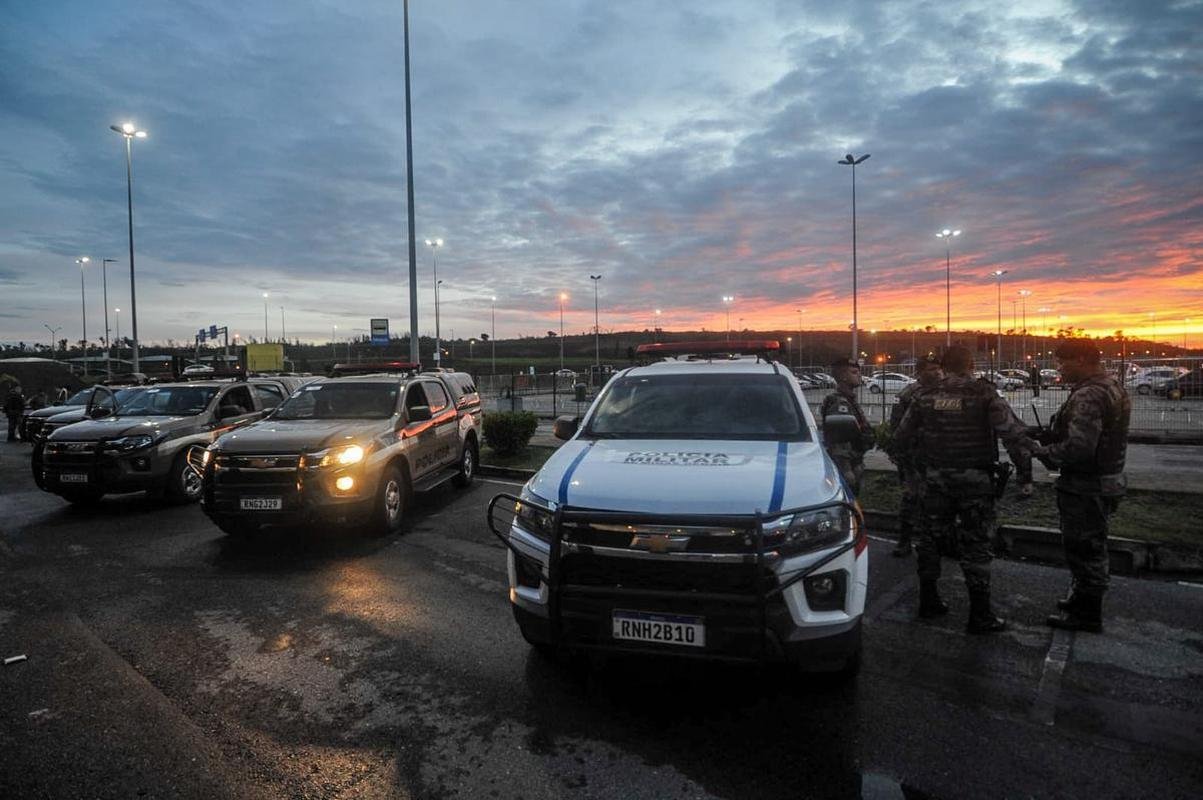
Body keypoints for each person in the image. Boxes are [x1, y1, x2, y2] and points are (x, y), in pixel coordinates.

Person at [894, 345, 1039, 634]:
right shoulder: (984, 393)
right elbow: (1011, 435)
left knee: (929, 540)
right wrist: (1029, 468)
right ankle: (980, 614)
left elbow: (900, 438)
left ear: (945, 366)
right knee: (976, 545)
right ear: (970, 364)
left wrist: (918, 468)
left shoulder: (924, 396)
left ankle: (929, 601)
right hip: (975, 483)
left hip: (934, 481)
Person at [1036, 339, 1131, 633]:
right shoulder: (1111, 386)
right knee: (1088, 545)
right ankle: (1081, 600)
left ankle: (1087, 615)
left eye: (1063, 362)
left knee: (1085, 548)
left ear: (1081, 359)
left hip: (1086, 485)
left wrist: (1042, 452)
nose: (1059, 368)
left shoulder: (1089, 394)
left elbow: (1079, 448)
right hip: (1103, 481)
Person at [885, 356, 943, 557]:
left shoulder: (944, 392)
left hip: (938, 456)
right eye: (932, 369)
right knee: (911, 496)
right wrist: (900, 454)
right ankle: (904, 540)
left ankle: (939, 541)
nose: (937, 372)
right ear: (920, 373)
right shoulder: (909, 394)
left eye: (939, 368)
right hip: (913, 456)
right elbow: (897, 426)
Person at [820, 358, 875, 495]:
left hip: (855, 460)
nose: (859, 375)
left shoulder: (849, 399)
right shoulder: (840, 403)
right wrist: (846, 471)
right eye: (854, 372)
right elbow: (838, 442)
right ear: (843, 376)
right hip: (848, 465)